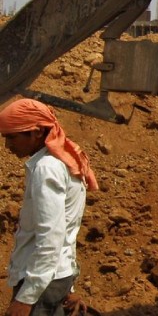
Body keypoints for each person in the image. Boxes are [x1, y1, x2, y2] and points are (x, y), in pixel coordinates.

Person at [0, 99, 97, 316]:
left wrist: (26, 298)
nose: (7, 146)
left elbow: (51, 236)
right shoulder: (65, 161)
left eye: (12, 137)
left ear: (36, 132)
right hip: (54, 278)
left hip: (40, 283)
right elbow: (66, 231)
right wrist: (68, 286)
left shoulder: (47, 168)